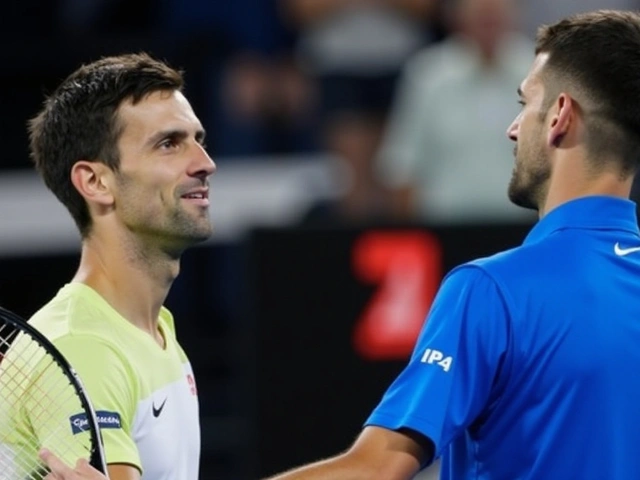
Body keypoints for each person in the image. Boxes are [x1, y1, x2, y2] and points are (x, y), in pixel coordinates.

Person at [41, 8, 640, 480]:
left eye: (525, 104)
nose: (514, 126)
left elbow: (377, 468)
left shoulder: (493, 292)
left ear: (560, 116)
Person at [12, 52, 215, 480]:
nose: (203, 163)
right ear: (96, 182)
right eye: (169, 144)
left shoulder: (156, 332)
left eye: (199, 139)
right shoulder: (83, 347)